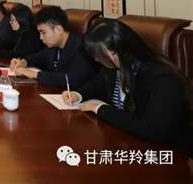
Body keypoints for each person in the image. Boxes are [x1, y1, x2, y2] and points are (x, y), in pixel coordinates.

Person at [62, 19, 193, 158]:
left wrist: (101, 109)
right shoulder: (115, 67)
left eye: (101, 55)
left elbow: (152, 130)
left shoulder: (163, 79)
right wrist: (77, 95)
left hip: (169, 153)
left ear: (121, 48)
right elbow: (96, 85)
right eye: (95, 55)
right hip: (128, 141)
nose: (97, 60)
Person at [9, 6, 98, 88]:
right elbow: (39, 57)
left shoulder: (82, 47)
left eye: (43, 32)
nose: (41, 37)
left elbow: (71, 80)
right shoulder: (54, 46)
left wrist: (34, 74)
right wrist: (24, 62)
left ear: (58, 30)